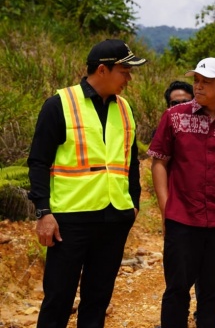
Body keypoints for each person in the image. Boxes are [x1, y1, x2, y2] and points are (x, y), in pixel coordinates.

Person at [27, 39, 146, 327]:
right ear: (102, 70)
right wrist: (44, 212)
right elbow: (38, 162)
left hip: (114, 217)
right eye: (124, 71)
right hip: (70, 220)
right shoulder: (60, 105)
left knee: (98, 299)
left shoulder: (125, 108)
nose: (129, 78)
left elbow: (130, 162)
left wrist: (134, 204)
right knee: (58, 297)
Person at [148, 57, 215, 327]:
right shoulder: (175, 117)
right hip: (182, 219)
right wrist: (166, 208)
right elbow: (159, 162)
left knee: (213, 291)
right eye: (196, 80)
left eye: (206, 82)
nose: (198, 86)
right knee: (176, 289)